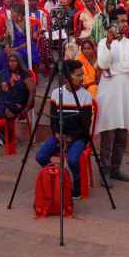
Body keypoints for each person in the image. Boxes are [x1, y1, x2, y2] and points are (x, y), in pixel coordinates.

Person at [36, 59, 94, 199]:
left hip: (79, 136)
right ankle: (57, 175)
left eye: (82, 75)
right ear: (68, 76)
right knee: (41, 156)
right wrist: (57, 134)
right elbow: (54, 119)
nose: (81, 78)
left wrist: (70, 138)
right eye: (78, 75)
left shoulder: (85, 96)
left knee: (73, 160)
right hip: (60, 134)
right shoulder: (57, 93)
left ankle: (77, 186)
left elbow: (85, 125)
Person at [95, 15, 129, 181]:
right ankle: (105, 172)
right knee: (108, 135)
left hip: (126, 94)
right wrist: (108, 43)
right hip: (108, 95)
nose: (122, 24)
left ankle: (116, 169)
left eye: (124, 21)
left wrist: (113, 71)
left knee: (122, 136)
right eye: (119, 21)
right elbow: (103, 64)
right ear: (112, 25)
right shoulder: (103, 43)